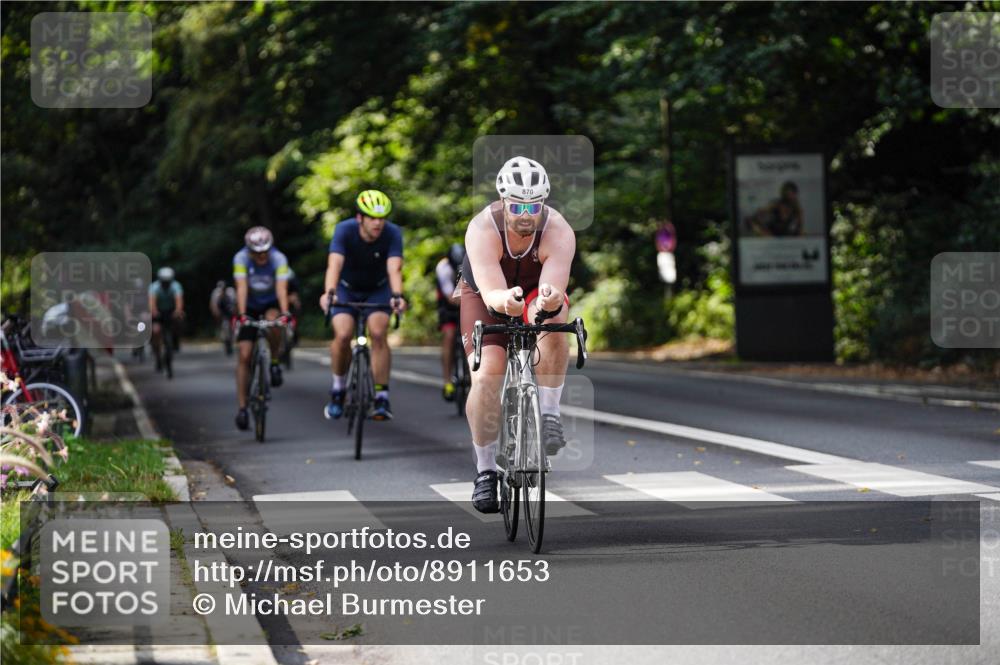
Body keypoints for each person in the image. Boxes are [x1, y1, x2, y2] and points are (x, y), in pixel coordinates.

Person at [460, 156, 576, 513]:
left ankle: (550, 414)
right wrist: (506, 304)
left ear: (543, 203)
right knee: (486, 375)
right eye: (517, 205)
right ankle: (485, 471)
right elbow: (493, 294)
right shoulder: (482, 229)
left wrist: (546, 304)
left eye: (534, 205)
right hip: (484, 293)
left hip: (532, 290)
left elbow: (550, 291)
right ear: (503, 201)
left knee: (556, 319)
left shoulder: (558, 230)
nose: (526, 213)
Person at [319, 189, 406, 421]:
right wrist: (329, 293)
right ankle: (338, 390)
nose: (378, 223)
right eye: (372, 218)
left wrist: (397, 295)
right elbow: (334, 265)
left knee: (378, 333)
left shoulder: (392, 233)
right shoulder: (344, 230)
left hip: (378, 289)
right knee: (343, 334)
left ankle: (381, 397)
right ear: (360, 218)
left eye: (382, 217)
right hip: (346, 288)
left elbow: (394, 268)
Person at [232, 226, 293, 430]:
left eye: (265, 252)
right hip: (248, 304)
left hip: (270, 303)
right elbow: (241, 288)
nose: (262, 256)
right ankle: (242, 408)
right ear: (249, 250)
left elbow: (281, 287)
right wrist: (241, 315)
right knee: (244, 354)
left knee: (274, 322)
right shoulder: (240, 259)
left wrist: (285, 312)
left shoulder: (279, 259)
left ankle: (274, 361)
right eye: (257, 253)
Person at [436, 243, 465, 401]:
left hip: (466, 303)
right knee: (449, 336)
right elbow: (450, 297)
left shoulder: (471, 262)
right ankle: (447, 381)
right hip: (448, 307)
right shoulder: (443, 267)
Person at [148, 267, 184, 371]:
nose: (166, 284)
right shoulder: (154, 287)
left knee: (180, 318)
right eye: (164, 282)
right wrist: (154, 311)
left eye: (168, 282)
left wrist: (178, 311)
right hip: (158, 312)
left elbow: (179, 301)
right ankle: (157, 354)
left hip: (170, 311)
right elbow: (152, 303)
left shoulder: (176, 286)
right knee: (156, 331)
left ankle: (176, 339)